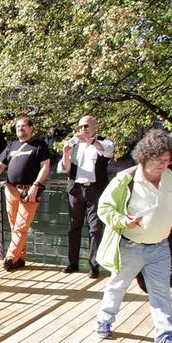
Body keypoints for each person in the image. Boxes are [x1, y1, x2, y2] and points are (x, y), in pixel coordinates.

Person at [94, 129, 172, 343]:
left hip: (160, 247)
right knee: (117, 286)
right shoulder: (125, 179)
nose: (162, 165)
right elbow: (104, 208)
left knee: (161, 293)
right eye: (158, 160)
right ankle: (104, 321)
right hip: (130, 247)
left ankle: (165, 339)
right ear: (145, 156)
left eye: (167, 160)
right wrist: (123, 221)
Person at [0, 115, 53, 270]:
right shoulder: (11, 146)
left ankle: (10, 258)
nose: (20, 128)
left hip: (30, 191)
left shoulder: (39, 146)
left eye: (23, 126)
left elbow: (45, 167)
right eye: (18, 126)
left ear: (31, 128)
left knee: (21, 226)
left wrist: (36, 185)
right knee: (15, 226)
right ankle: (20, 258)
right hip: (11, 190)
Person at [59, 114, 114, 277]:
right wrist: (66, 154)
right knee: (74, 227)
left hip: (96, 190)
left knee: (95, 228)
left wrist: (89, 141)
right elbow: (63, 168)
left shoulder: (104, 142)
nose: (83, 129)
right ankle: (72, 263)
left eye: (86, 126)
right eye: (81, 127)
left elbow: (107, 151)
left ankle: (94, 265)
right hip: (76, 189)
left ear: (95, 127)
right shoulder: (73, 144)